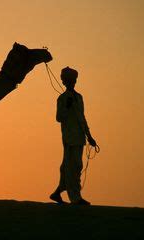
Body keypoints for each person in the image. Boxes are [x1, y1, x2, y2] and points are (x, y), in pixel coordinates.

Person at [50, 67, 97, 205]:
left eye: (73, 80)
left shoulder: (79, 97)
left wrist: (89, 136)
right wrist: (67, 107)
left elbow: (82, 118)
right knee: (73, 166)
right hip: (70, 138)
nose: (72, 82)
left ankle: (57, 193)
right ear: (65, 81)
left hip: (79, 137)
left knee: (70, 166)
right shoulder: (63, 98)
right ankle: (75, 198)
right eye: (70, 80)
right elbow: (59, 117)